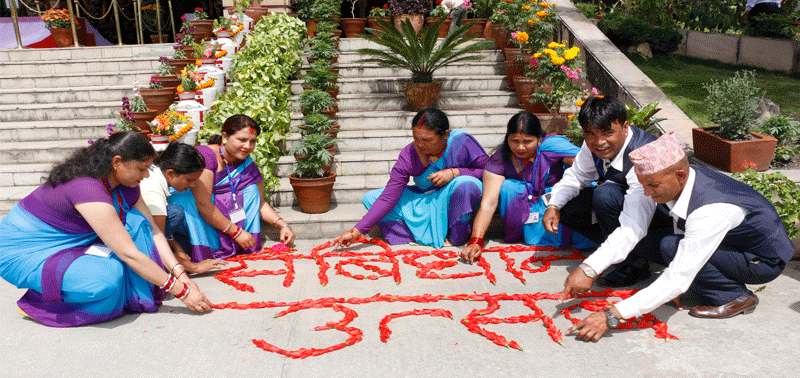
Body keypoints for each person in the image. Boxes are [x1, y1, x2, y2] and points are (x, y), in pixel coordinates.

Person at [564, 132, 793, 341]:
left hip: (761, 260)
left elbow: (676, 277)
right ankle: (710, 283)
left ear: (680, 175)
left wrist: (610, 315)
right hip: (731, 242)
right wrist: (589, 268)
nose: (647, 193)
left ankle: (733, 296)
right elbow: (631, 228)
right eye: (643, 185)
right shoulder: (683, 178)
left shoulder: (709, 211)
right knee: (662, 244)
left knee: (673, 249)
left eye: (652, 185)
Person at [0, 132, 212, 327]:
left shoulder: (127, 184)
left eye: (148, 168)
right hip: (25, 252)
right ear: (117, 163)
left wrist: (179, 274)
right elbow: (128, 253)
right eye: (141, 168)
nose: (147, 175)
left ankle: (112, 289)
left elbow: (154, 231)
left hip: (75, 244)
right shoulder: (86, 187)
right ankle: (40, 302)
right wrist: (181, 291)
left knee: (137, 226)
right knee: (105, 284)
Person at [542, 96, 673, 287]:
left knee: (605, 195)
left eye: (607, 133)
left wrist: (589, 268)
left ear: (625, 127)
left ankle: (634, 262)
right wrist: (554, 205)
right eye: (590, 134)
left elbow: (635, 223)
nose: (599, 142)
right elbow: (577, 176)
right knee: (569, 207)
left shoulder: (643, 156)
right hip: (628, 203)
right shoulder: (591, 145)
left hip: (662, 216)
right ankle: (618, 250)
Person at [334, 108, 488, 249]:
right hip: (428, 202)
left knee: (465, 184)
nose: (420, 145)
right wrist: (356, 232)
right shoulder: (408, 154)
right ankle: (423, 235)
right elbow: (389, 196)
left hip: (459, 199)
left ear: (445, 135)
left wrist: (455, 172)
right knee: (371, 198)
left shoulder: (461, 141)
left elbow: (488, 171)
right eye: (416, 138)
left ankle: (457, 236)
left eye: (427, 140)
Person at [459, 112, 594, 263]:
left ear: (539, 139)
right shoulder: (500, 158)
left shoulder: (551, 146)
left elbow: (588, 167)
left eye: (527, 141)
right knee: (509, 187)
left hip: (558, 202)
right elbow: (488, 203)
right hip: (527, 204)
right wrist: (476, 241)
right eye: (514, 140)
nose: (520, 147)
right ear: (507, 138)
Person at [169, 114, 296, 261]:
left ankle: (235, 244)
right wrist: (237, 233)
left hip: (223, 217)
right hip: (195, 213)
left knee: (251, 190)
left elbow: (260, 203)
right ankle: (207, 246)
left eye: (252, 141)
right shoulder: (206, 156)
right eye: (242, 140)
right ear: (225, 137)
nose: (247, 146)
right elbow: (203, 205)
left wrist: (283, 226)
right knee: (189, 199)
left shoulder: (246, 164)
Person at [140, 142, 228, 274]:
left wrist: (177, 247)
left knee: (186, 248)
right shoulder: (153, 190)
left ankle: (172, 260)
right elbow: (156, 240)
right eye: (189, 180)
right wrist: (194, 267)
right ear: (170, 173)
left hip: (153, 232)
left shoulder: (160, 177)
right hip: (142, 241)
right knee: (175, 213)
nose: (193, 185)